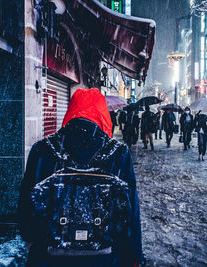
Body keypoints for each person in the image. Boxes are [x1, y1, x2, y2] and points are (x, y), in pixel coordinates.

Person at [18, 88, 144, 267]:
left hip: (49, 256)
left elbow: (26, 204)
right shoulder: (119, 154)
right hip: (106, 257)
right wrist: (134, 255)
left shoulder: (42, 149)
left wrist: (30, 238)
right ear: (103, 114)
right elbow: (131, 211)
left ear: (71, 111)